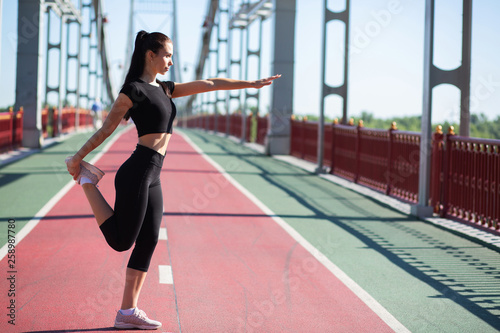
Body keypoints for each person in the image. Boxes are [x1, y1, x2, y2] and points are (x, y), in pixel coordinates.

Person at [65, 30, 280, 330]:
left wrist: (252, 83)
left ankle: (127, 311)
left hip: (154, 174)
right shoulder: (133, 91)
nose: (171, 61)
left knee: (149, 239)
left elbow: (210, 84)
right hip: (138, 169)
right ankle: (88, 181)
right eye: (166, 55)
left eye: (172, 55)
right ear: (150, 55)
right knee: (121, 241)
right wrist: (78, 158)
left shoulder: (165, 89)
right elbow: (105, 131)